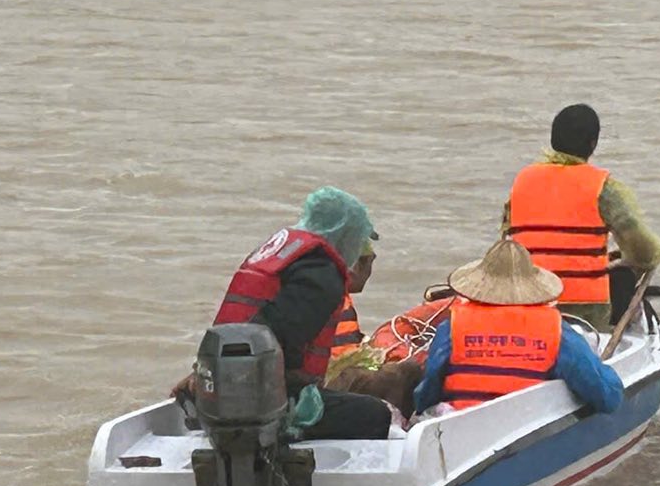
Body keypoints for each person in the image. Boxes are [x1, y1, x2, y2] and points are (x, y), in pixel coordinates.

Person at [204, 187, 393, 441]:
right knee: (376, 414)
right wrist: (301, 394)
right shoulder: (322, 272)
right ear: (345, 235)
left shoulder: (279, 253)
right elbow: (281, 335)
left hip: (219, 389)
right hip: (258, 399)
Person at [412, 240, 625, 416]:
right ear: (533, 288)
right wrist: (609, 375)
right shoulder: (556, 330)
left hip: (461, 425)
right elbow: (606, 396)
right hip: (525, 424)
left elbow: (427, 393)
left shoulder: (451, 327)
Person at [503, 103, 660, 330]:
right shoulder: (604, 188)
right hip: (584, 311)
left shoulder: (521, 183)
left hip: (526, 302)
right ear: (593, 144)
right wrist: (650, 253)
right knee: (624, 275)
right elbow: (645, 253)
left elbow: (506, 245)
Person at [326, 238, 374, 364]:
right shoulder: (341, 305)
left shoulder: (320, 288)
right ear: (355, 267)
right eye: (371, 261)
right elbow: (343, 361)